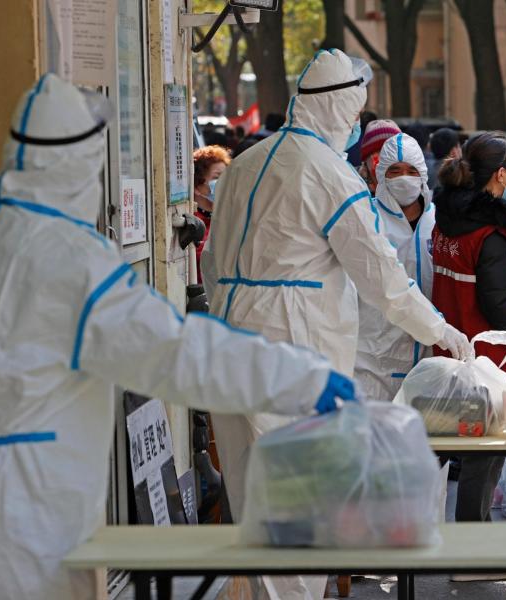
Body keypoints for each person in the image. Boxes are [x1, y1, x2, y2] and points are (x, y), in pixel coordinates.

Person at [0, 74, 355, 600]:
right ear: (82, 163)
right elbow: (178, 354)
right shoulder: (69, 260)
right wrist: (301, 379)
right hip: (24, 521)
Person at [201, 50, 471, 600]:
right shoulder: (328, 174)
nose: (355, 125)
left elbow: (209, 262)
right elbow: (382, 278)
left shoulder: (246, 163)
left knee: (252, 508)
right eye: (355, 111)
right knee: (301, 508)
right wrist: (438, 329)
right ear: (343, 106)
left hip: (228, 347)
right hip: (293, 353)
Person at [431, 132, 506, 542]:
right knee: (483, 450)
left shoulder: (447, 221)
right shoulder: (489, 235)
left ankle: (402, 523)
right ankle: (473, 548)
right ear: (497, 175)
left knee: (445, 445)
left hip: (451, 351)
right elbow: (499, 306)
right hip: (488, 357)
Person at [355, 133, 437, 401]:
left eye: (412, 170)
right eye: (395, 171)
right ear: (382, 175)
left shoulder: (437, 222)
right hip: (375, 354)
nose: (404, 177)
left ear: (423, 174)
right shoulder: (368, 219)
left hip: (429, 351)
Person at [192, 145, 230, 283]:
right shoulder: (190, 222)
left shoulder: (231, 217)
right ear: (197, 186)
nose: (225, 182)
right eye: (217, 177)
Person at [357, 118, 401, 193]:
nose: (387, 156)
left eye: (393, 150)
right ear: (366, 160)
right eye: (380, 151)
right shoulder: (355, 187)